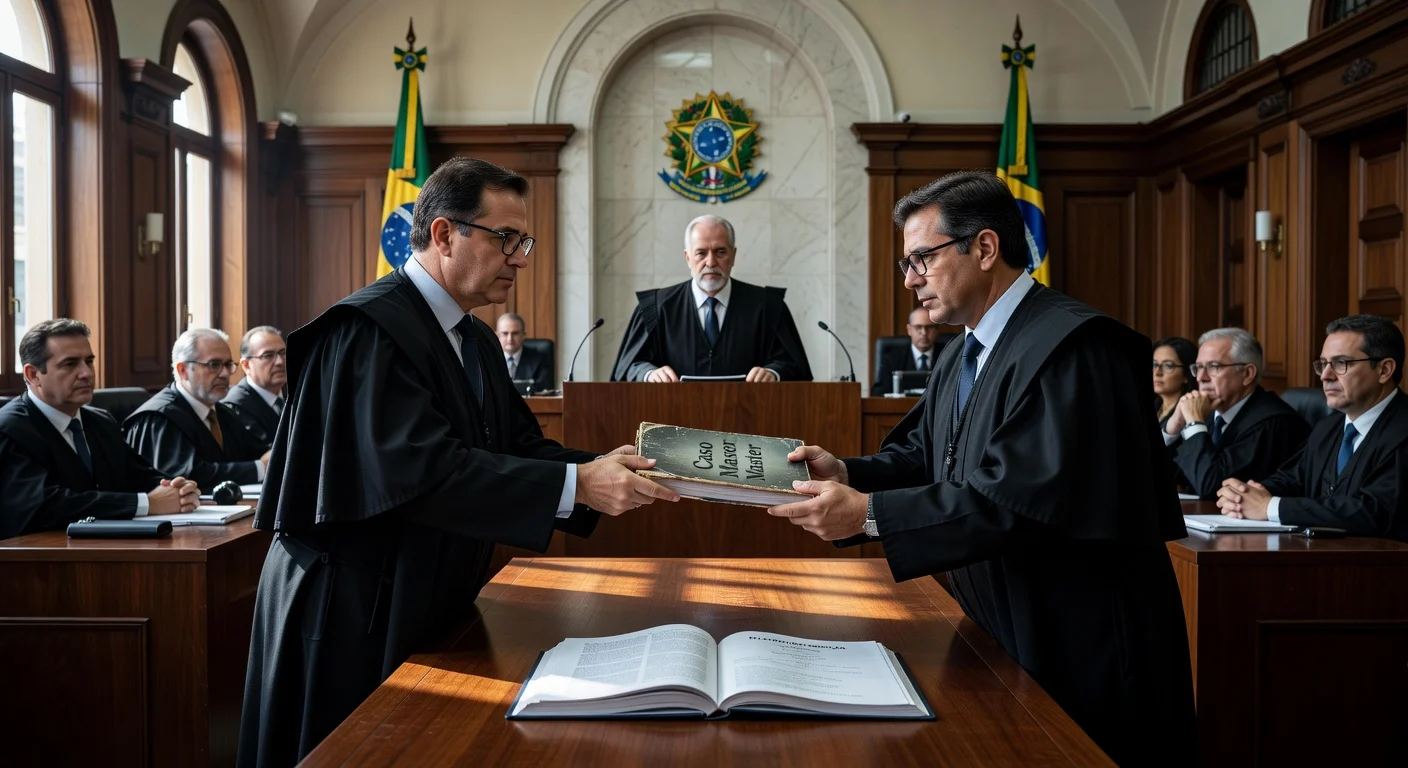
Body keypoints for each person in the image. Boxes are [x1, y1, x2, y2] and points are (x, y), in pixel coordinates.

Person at [237, 157, 680, 767]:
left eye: (523, 242)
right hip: (350, 604)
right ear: (445, 234)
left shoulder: (473, 337)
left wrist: (610, 466)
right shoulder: (370, 330)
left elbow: (517, 448)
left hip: (420, 589)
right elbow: (421, 473)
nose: (520, 259)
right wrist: (579, 484)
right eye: (507, 239)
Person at [764, 171, 1195, 766]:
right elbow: (927, 457)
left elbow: (1014, 497)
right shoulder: (963, 350)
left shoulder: (1072, 346)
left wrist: (869, 516)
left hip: (1077, 636)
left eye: (922, 259)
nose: (910, 279)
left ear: (985, 248)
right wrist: (846, 474)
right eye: (907, 263)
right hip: (999, 619)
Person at [0, 319, 199, 539]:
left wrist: (178, 489)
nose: (86, 373)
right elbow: (42, 505)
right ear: (33, 375)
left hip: (107, 547)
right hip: (40, 554)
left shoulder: (101, 421)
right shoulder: (8, 429)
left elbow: (140, 475)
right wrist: (147, 503)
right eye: (70, 364)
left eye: (89, 361)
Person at [1217, 315, 1408, 540]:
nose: (1325, 376)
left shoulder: (1402, 429)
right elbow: (1291, 480)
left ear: (1384, 370)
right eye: (1323, 364)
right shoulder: (1328, 427)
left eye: (1341, 363)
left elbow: (1374, 512)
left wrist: (1270, 507)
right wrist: (1244, 496)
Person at [610, 214, 812, 382]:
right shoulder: (655, 307)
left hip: (750, 413)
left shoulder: (769, 306)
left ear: (733, 255)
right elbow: (629, 366)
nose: (710, 262)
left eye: (720, 252)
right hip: (674, 414)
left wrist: (773, 373)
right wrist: (649, 374)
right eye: (701, 253)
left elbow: (793, 365)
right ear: (688, 258)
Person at [1163, 328, 1310, 499]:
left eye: (1213, 367)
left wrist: (1194, 424)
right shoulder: (1208, 412)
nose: (1201, 378)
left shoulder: (1272, 423)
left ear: (1247, 374)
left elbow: (1211, 487)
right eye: (1199, 367)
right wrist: (1172, 429)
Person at [125, 328, 272, 488]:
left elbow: (254, 452)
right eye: (214, 364)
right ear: (183, 370)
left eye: (228, 364)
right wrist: (258, 468)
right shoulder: (159, 418)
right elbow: (186, 476)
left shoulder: (222, 413)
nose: (225, 373)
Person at [223, 325, 287, 448]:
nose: (280, 362)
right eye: (267, 355)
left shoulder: (294, 396)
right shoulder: (234, 408)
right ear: (246, 365)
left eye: (283, 353)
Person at [871, 307, 949, 396]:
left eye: (929, 327)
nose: (924, 332)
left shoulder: (947, 356)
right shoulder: (892, 359)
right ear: (909, 330)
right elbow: (879, 393)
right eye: (918, 327)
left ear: (936, 330)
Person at [496, 312, 552, 392]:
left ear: (523, 335)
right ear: (497, 335)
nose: (510, 339)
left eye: (515, 333)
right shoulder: (488, 359)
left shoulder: (539, 360)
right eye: (505, 333)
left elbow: (543, 388)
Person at [1153, 336, 1197, 430]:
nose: (1157, 372)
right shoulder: (1151, 407)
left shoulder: (1190, 413)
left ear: (1186, 374)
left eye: (1168, 366)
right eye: (1154, 365)